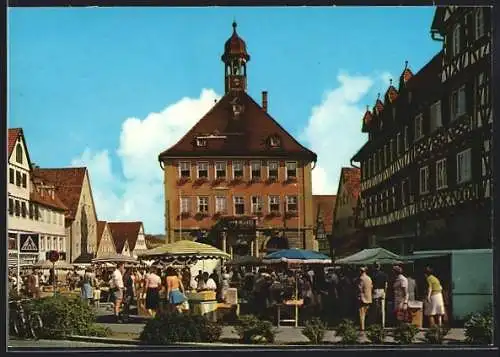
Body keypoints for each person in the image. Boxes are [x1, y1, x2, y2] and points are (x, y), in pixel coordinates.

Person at [371, 262, 388, 328]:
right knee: (382, 309)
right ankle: (382, 324)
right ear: (379, 266)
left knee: (375, 308)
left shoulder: (373, 275)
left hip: (376, 291)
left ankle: (375, 324)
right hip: (382, 291)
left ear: (374, 266)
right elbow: (386, 285)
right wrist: (385, 292)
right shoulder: (385, 274)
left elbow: (371, 285)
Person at [357, 266, 373, 332]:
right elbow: (371, 286)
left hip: (362, 298)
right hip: (369, 297)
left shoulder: (361, 278)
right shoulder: (369, 278)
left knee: (361, 313)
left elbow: (359, 288)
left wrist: (358, 296)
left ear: (361, 271)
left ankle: (362, 328)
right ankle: (368, 326)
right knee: (367, 313)